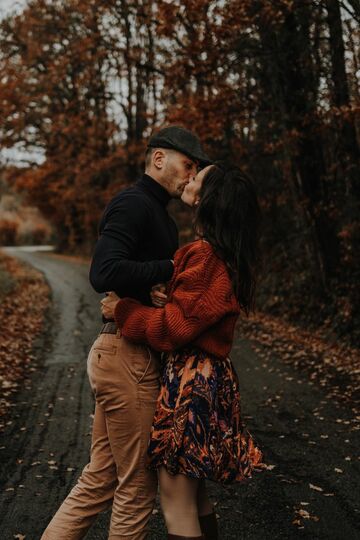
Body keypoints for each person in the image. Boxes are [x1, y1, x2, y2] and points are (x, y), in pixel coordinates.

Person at [40, 126, 211, 540]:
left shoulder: (162, 219)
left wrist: (158, 288)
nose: (191, 176)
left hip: (123, 353)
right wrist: (170, 269)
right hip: (127, 357)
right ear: (159, 159)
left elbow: (138, 277)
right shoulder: (133, 204)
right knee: (135, 487)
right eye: (187, 165)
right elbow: (103, 272)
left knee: (100, 479)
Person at [101, 163, 264, 540]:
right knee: (196, 496)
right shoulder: (219, 253)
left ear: (211, 199)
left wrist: (122, 310)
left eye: (198, 178)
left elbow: (172, 330)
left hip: (192, 384)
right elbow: (193, 312)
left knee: (176, 503)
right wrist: (167, 299)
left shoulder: (204, 255)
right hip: (207, 378)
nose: (189, 179)